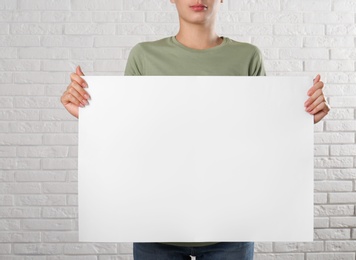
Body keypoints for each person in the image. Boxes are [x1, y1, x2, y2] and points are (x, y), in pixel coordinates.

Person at [61, 0, 330, 259]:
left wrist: (303, 118)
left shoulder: (247, 56)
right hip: (154, 226)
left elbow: (260, 136)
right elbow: (132, 136)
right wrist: (88, 114)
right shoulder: (143, 55)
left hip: (231, 227)